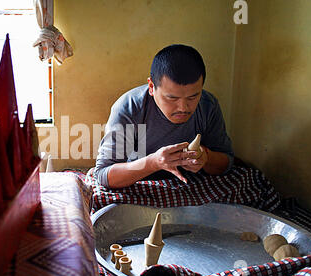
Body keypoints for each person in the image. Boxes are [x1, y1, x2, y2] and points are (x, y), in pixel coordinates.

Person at [94, 44, 234, 189]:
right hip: (140, 184)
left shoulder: (207, 105)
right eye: (172, 98)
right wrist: (154, 162)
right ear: (151, 87)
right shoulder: (131, 108)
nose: (183, 108)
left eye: (193, 97)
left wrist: (206, 158)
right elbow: (104, 176)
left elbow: (227, 162)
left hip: (189, 186)